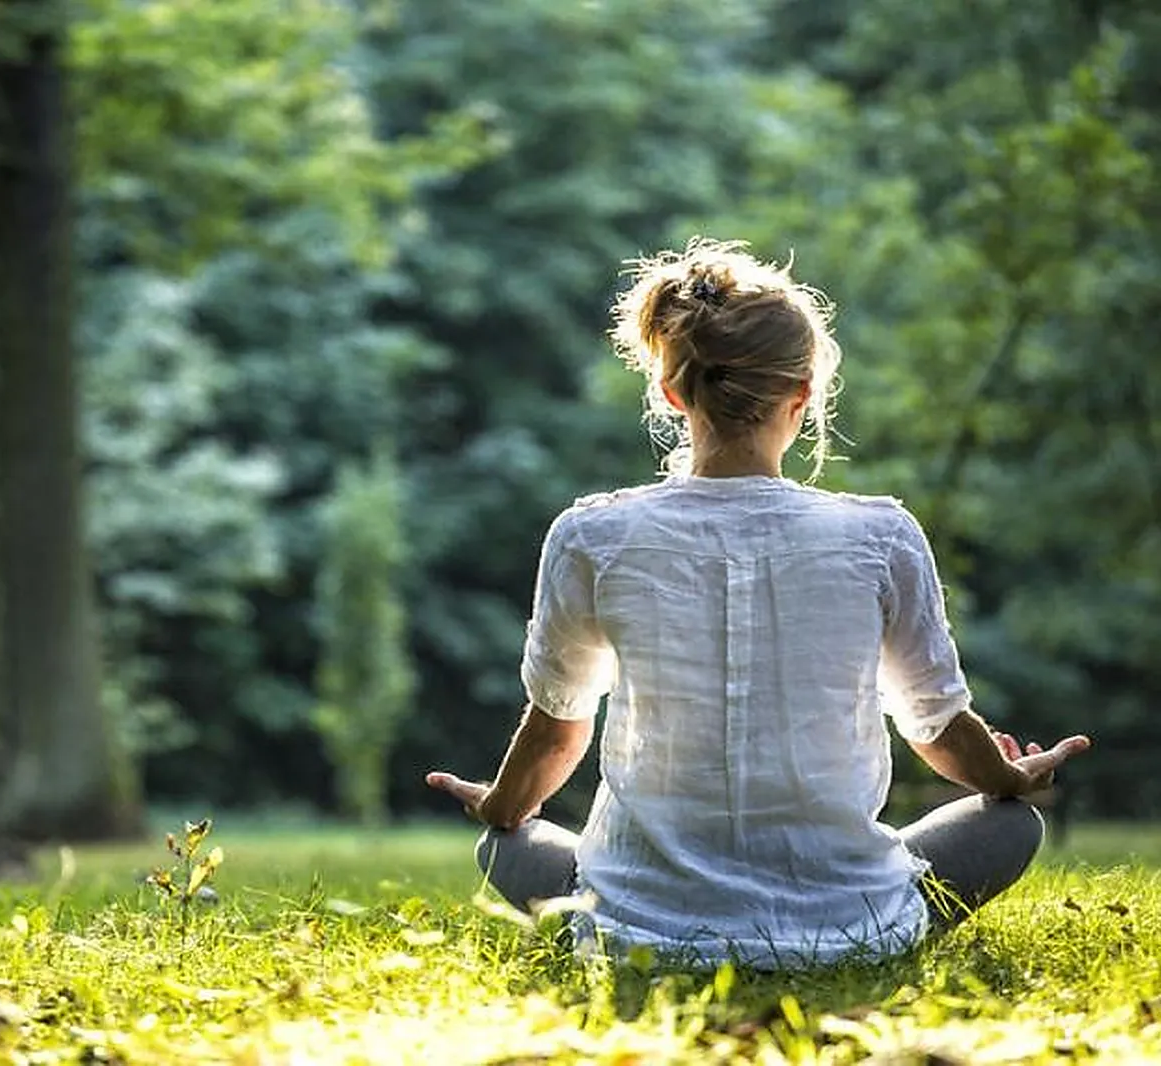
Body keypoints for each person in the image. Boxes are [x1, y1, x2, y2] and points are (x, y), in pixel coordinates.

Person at [425, 238, 1091, 967]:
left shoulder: (593, 534)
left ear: (674, 393)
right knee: (1011, 826)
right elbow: (934, 727)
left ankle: (635, 919)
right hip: (849, 926)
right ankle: (855, 931)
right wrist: (1006, 778)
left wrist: (500, 805)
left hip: (640, 934)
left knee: (507, 842)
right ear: (801, 395)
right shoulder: (881, 535)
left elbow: (557, 732)